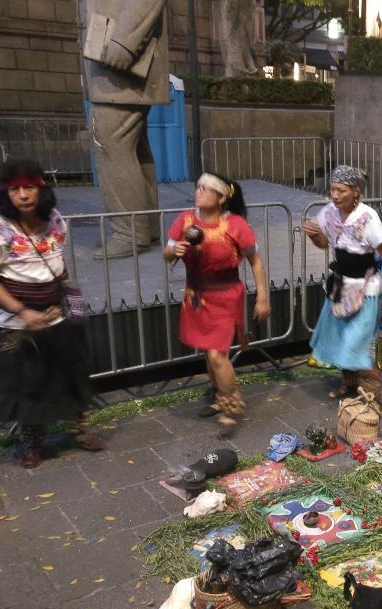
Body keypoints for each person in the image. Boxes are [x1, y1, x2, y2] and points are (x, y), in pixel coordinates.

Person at [0, 159, 107, 468]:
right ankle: (33, 442)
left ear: (41, 189)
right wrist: (22, 311)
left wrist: (69, 297)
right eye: (15, 189)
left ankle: (79, 431)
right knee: (27, 384)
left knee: (71, 376)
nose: (22, 195)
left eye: (28, 187)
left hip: (57, 317)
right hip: (15, 325)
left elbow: (58, 262)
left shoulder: (55, 219)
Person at [164, 173, 270, 432]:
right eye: (198, 187)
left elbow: (255, 260)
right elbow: (167, 255)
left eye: (205, 189)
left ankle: (231, 406)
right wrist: (173, 250)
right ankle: (218, 396)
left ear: (221, 197)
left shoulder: (235, 225)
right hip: (197, 297)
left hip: (225, 296)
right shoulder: (185, 220)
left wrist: (263, 296)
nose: (198, 192)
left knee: (216, 353)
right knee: (209, 354)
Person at [81, 0, 169, 258]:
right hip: (114, 57)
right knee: (130, 147)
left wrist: (125, 41)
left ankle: (130, 232)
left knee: (111, 143)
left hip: (120, 59)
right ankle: (144, 227)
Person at [303, 165, 382, 400]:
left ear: (356, 191)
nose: (335, 195)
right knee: (340, 337)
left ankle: (371, 393)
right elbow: (325, 243)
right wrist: (315, 235)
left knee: (357, 341)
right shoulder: (330, 213)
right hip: (340, 284)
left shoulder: (368, 217)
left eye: (341, 190)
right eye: (332, 189)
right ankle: (348, 384)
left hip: (366, 288)